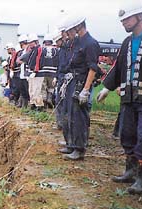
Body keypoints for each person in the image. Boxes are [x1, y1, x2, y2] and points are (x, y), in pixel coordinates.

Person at [98, 1, 142, 194]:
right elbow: (117, 68)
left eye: (127, 19)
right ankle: (130, 171)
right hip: (128, 99)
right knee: (127, 134)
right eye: (122, 20)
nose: (124, 23)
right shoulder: (126, 42)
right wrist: (107, 87)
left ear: (140, 16)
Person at [60, 15, 100, 160]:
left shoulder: (90, 43)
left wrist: (86, 89)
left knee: (79, 116)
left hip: (82, 82)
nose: (68, 33)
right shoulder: (77, 42)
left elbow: (93, 68)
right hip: (73, 80)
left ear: (79, 27)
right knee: (70, 114)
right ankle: (71, 144)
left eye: (70, 30)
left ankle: (79, 149)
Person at [39, 33, 59, 109]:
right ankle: (49, 98)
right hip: (53, 72)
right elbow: (58, 61)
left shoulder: (41, 50)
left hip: (43, 72)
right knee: (51, 87)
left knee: (43, 88)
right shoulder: (56, 50)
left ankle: (44, 103)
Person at [26, 33, 44, 111]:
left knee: (37, 89)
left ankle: (39, 106)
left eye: (31, 42)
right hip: (31, 72)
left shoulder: (39, 49)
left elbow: (39, 60)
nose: (29, 44)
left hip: (38, 73)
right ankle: (32, 104)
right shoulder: (32, 50)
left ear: (35, 42)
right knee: (31, 89)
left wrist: (35, 71)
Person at [16, 34, 31, 108]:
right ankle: (24, 106)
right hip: (22, 74)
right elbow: (17, 61)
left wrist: (23, 61)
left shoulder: (29, 50)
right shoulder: (22, 52)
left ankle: (28, 105)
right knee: (23, 90)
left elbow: (27, 60)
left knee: (28, 90)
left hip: (27, 74)